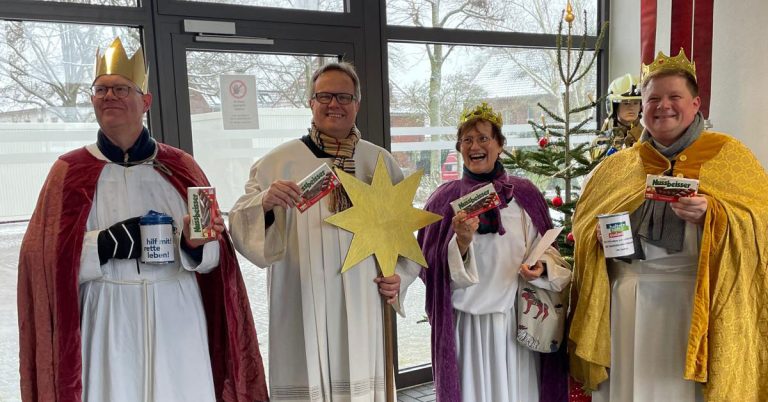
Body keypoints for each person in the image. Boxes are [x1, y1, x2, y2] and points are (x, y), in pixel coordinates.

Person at [17, 37, 268, 402]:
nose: (110, 97)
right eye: (101, 89)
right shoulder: (68, 170)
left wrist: (192, 245)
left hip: (176, 312)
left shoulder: (182, 166)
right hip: (106, 315)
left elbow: (217, 256)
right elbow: (38, 258)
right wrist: (100, 245)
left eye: (121, 88)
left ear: (145, 102)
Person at [568, 48, 768, 401]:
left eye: (675, 96)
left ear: (696, 104)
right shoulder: (616, 167)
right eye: (653, 99)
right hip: (626, 303)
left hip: (695, 301)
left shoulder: (730, 155)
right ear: (641, 107)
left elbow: (761, 224)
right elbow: (583, 227)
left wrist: (716, 215)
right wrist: (594, 237)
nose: (663, 106)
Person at [228, 61, 421, 401]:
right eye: (325, 96)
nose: (335, 104)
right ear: (311, 102)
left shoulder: (379, 163)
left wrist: (400, 278)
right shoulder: (278, 163)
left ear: (357, 104)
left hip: (364, 298)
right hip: (301, 296)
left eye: (344, 96)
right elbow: (242, 226)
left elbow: (403, 235)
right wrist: (265, 203)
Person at [418, 103, 571, 402]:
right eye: (467, 141)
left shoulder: (525, 194)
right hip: (467, 326)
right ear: (459, 148)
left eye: (483, 138)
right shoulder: (443, 200)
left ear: (500, 144)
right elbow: (430, 268)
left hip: (515, 322)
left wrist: (540, 267)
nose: (475, 146)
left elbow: (547, 250)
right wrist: (460, 243)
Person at [591, 74, 644, 160]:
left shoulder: (648, 139)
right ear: (614, 107)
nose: (632, 107)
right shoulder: (600, 142)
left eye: (636, 103)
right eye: (626, 103)